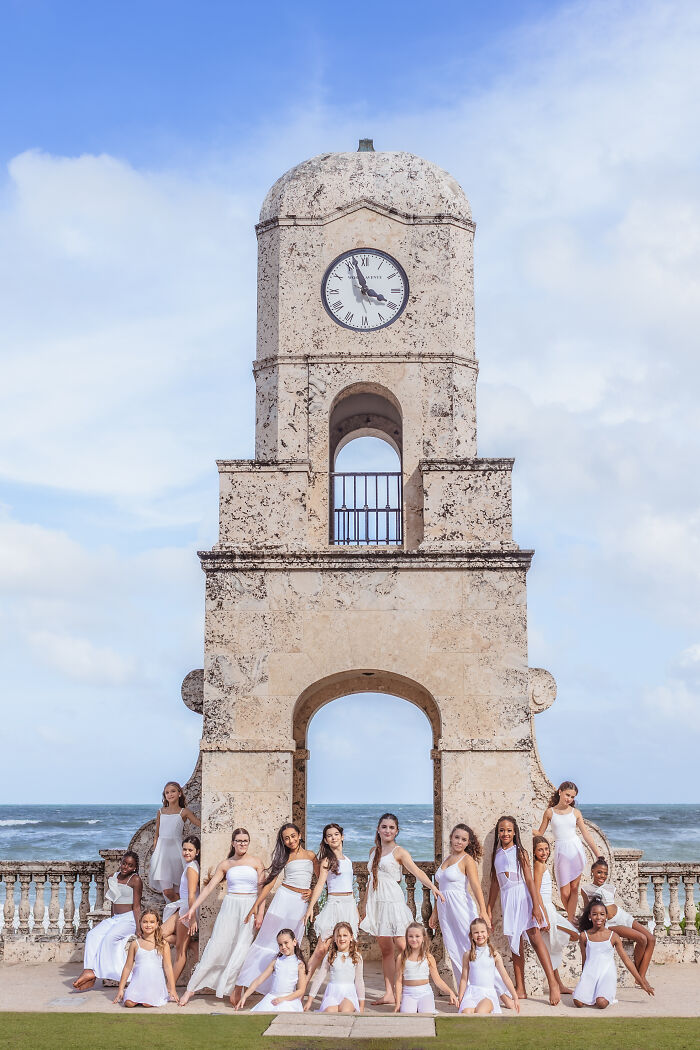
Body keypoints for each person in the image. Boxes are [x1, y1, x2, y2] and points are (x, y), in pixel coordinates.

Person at [360, 812, 445, 1006]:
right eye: (384, 827)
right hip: (377, 904)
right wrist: (364, 906)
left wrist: (434, 888)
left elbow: (418, 872)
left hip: (393, 903)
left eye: (391, 827)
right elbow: (371, 882)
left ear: (397, 831)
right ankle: (389, 993)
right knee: (385, 950)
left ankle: (420, 987)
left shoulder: (399, 852)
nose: (387, 830)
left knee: (407, 946)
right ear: (378, 829)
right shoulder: (373, 850)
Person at [178, 827, 265, 1007]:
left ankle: (235, 988)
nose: (242, 844)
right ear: (233, 843)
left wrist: (260, 913)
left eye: (245, 841)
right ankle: (190, 989)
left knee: (242, 948)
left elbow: (261, 890)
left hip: (249, 909)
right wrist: (192, 908)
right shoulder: (226, 864)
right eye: (239, 841)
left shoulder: (257, 862)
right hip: (230, 907)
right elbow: (209, 888)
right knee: (217, 945)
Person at [486, 815, 561, 1005]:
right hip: (507, 899)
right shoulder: (496, 854)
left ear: (514, 832)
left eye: (509, 830)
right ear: (498, 832)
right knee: (515, 942)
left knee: (535, 938)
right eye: (502, 830)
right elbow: (495, 883)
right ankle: (521, 988)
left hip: (522, 896)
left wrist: (536, 906)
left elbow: (529, 880)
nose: (505, 833)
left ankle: (553, 983)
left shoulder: (520, 852)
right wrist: (488, 907)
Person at [236, 823, 317, 995]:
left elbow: (320, 879)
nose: (290, 840)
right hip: (283, 899)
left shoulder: (311, 856)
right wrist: (256, 906)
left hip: (300, 905)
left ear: (300, 835)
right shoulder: (285, 857)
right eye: (286, 838)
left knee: (291, 944)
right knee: (267, 940)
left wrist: (311, 890)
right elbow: (271, 882)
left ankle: (282, 988)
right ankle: (243, 983)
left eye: (293, 836)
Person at [429, 823, 490, 985]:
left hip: (461, 907)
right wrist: (435, 912)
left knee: (469, 947)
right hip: (445, 910)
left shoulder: (467, 860)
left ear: (468, 843)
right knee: (453, 948)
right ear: (451, 838)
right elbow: (440, 889)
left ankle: (489, 988)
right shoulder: (447, 859)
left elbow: (476, 886)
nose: (459, 842)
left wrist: (482, 910)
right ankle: (465, 990)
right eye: (457, 837)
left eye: (464, 839)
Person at [72, 851, 142, 990]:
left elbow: (137, 906)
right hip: (115, 918)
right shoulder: (112, 877)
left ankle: (95, 973)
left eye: (129, 865)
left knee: (110, 938)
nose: (125, 867)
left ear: (134, 867)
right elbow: (113, 902)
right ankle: (89, 970)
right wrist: (110, 920)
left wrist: (138, 928)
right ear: (120, 862)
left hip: (129, 919)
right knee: (93, 935)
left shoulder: (135, 880)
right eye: (124, 863)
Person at [573, 896, 654, 1009]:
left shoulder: (613, 936)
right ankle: (593, 992)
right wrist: (584, 980)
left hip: (607, 974)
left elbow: (626, 960)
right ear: (589, 916)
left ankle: (602, 994)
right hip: (590, 974)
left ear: (606, 917)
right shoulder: (584, 936)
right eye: (595, 914)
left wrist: (642, 982)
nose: (598, 917)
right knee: (578, 1002)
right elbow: (584, 959)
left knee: (601, 1003)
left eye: (602, 914)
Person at [582, 856, 656, 979]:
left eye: (605, 873)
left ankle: (640, 976)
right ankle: (640, 977)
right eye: (599, 872)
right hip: (610, 924)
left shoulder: (611, 887)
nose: (602, 876)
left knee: (651, 939)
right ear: (592, 871)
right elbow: (587, 911)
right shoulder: (586, 889)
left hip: (622, 916)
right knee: (642, 939)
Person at [303, 823, 359, 983]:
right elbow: (320, 884)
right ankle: (303, 985)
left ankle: (349, 988)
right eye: (329, 835)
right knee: (321, 948)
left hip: (349, 904)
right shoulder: (327, 861)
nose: (333, 837)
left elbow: (351, 888)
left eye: (336, 834)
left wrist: (356, 910)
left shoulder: (348, 860)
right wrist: (311, 907)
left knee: (350, 948)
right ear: (326, 841)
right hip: (334, 903)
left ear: (342, 836)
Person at [535, 781, 598, 922]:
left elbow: (586, 834)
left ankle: (571, 921)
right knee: (564, 892)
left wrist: (598, 854)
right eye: (567, 795)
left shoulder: (576, 813)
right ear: (560, 792)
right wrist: (525, 829)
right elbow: (540, 832)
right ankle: (573, 919)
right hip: (561, 852)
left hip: (576, 850)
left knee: (574, 888)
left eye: (572, 797)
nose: (569, 799)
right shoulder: (549, 812)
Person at [532, 835, 579, 993]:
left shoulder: (543, 864)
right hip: (545, 909)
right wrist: (544, 915)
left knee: (552, 950)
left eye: (546, 849)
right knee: (574, 934)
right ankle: (557, 985)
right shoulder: (538, 865)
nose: (544, 852)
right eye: (540, 849)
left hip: (549, 907)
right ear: (534, 852)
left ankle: (559, 984)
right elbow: (536, 891)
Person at [113, 909, 178, 1007]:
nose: (148, 925)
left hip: (154, 983)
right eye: (145, 922)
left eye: (152, 922)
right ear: (140, 923)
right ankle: (132, 993)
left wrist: (172, 989)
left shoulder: (163, 944)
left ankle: (152, 995)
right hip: (138, 983)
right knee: (129, 1003)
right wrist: (120, 989)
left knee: (147, 1003)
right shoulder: (135, 944)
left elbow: (168, 967)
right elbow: (127, 967)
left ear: (157, 924)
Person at [149, 781, 200, 903]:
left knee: (178, 890)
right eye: (167, 792)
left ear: (179, 793)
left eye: (173, 791)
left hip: (176, 853)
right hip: (162, 854)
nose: (170, 794)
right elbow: (157, 835)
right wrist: (155, 852)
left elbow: (200, 824)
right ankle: (181, 909)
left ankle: (179, 915)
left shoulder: (184, 812)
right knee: (167, 891)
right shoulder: (161, 811)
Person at [457, 918, 519, 1015]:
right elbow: (464, 979)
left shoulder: (494, 955)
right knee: (466, 1013)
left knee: (480, 1012)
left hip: (487, 995)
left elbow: (505, 978)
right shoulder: (468, 955)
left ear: (488, 933)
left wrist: (515, 997)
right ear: (471, 935)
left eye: (482, 931)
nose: (480, 935)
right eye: (476, 932)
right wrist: (460, 997)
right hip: (471, 993)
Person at [235, 929, 307, 1013]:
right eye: (280, 944)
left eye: (286, 943)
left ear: (294, 942)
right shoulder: (276, 962)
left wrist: (283, 999)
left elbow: (301, 990)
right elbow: (258, 980)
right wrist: (245, 996)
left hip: (288, 1001)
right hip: (271, 998)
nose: (283, 947)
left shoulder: (299, 964)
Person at [160, 836, 200, 985]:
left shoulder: (191, 868)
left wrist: (193, 917)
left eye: (190, 850)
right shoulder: (190, 865)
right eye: (184, 849)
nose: (186, 852)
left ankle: (169, 988)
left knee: (180, 953)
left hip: (186, 910)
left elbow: (191, 895)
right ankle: (192, 944)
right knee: (159, 935)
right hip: (182, 908)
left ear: (197, 852)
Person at [394, 922, 458, 1014]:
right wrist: (397, 1003)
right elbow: (398, 981)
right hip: (408, 993)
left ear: (423, 938)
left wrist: (450, 992)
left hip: (425, 993)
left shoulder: (428, 957)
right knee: (407, 1015)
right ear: (406, 938)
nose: (414, 939)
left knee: (427, 1014)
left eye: (417, 936)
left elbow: (437, 980)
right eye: (410, 936)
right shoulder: (401, 957)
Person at [304, 921, 365, 1013]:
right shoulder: (330, 955)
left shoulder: (356, 957)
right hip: (332, 994)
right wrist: (309, 1001)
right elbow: (319, 978)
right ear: (334, 938)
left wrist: (361, 1005)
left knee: (345, 1012)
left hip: (348, 994)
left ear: (351, 937)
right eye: (338, 935)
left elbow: (359, 981)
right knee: (329, 1013)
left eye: (345, 935)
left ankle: (350, 1006)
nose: (341, 938)